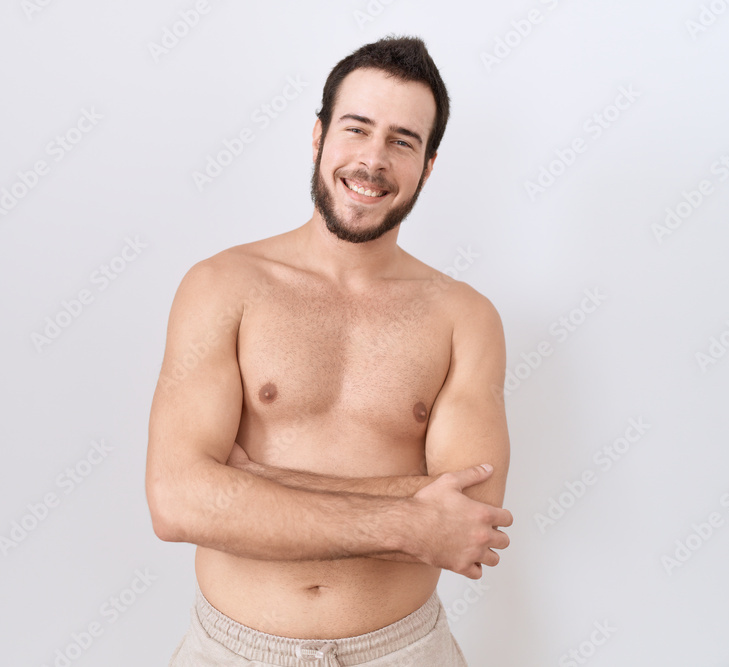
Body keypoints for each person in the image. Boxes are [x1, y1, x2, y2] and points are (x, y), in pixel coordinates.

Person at [147, 35, 513, 667]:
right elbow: (177, 501)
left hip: (403, 651)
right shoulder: (221, 286)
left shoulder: (465, 318)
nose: (373, 160)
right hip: (232, 651)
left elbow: (467, 525)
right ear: (318, 136)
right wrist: (407, 520)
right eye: (357, 128)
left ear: (427, 166)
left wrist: (249, 480)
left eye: (403, 140)